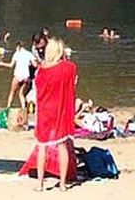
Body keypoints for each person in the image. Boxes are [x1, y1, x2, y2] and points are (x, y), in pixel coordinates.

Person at [34, 37, 78, 192]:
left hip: (46, 110)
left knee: (42, 147)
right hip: (61, 109)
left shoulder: (42, 70)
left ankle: (39, 184)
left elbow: (38, 90)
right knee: (62, 146)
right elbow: (73, 83)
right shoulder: (69, 67)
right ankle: (63, 184)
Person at [7, 37, 38, 109]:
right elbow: (35, 65)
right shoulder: (29, 53)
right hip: (26, 77)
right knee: (21, 94)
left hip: (18, 75)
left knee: (12, 92)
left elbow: (11, 65)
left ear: (18, 46)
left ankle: (8, 108)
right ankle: (23, 109)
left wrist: (2, 63)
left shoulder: (17, 53)